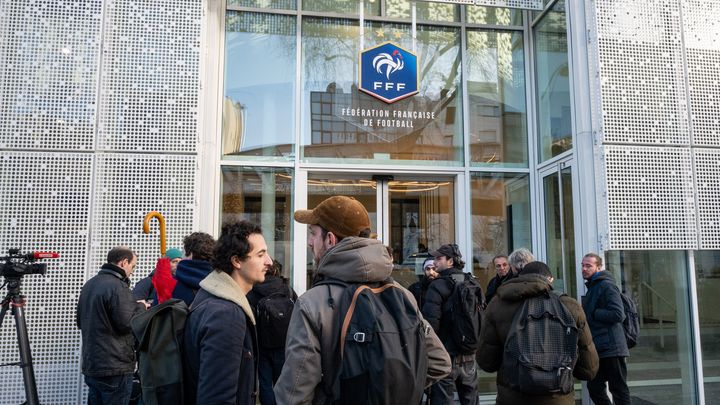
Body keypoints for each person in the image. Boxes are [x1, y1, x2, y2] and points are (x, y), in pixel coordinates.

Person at [274, 195, 451, 404]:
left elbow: (294, 394)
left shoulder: (311, 303)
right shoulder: (402, 295)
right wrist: (392, 391)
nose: (309, 242)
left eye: (313, 233)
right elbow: (440, 363)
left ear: (330, 239)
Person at [477, 261, 598, 404]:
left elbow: (487, 363)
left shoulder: (497, 305)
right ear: (550, 280)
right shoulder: (570, 306)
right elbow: (589, 369)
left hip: (513, 398)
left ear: (520, 278)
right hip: (558, 399)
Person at [183, 221, 273, 404]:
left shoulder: (214, 301)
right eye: (261, 254)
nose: (269, 261)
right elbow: (216, 397)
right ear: (236, 261)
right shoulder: (225, 314)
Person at [76, 246, 147, 405]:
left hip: (92, 365)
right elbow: (127, 323)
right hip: (115, 367)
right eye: (133, 266)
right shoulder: (118, 286)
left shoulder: (90, 285)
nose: (132, 271)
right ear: (123, 262)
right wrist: (141, 307)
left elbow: (80, 321)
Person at [422, 243, 479, 405]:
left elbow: (431, 324)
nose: (435, 262)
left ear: (450, 262)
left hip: (445, 354)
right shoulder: (471, 282)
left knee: (443, 400)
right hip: (469, 354)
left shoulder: (438, 285)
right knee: (470, 400)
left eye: (439, 259)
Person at [581, 253, 631, 405]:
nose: (584, 268)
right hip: (600, 347)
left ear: (599, 267)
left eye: (588, 265)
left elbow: (618, 314)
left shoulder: (606, 285)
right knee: (595, 387)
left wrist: (595, 313)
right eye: (582, 265)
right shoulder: (593, 286)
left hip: (612, 347)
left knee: (618, 389)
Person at [247, 260, 297, 405]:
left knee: (265, 382)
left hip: (262, 345)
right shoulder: (287, 290)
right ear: (276, 272)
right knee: (281, 381)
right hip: (284, 344)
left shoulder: (253, 291)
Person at [172, 232, 215, 306]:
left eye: (184, 252)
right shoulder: (222, 284)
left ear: (190, 254)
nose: (182, 257)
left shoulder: (168, 284)